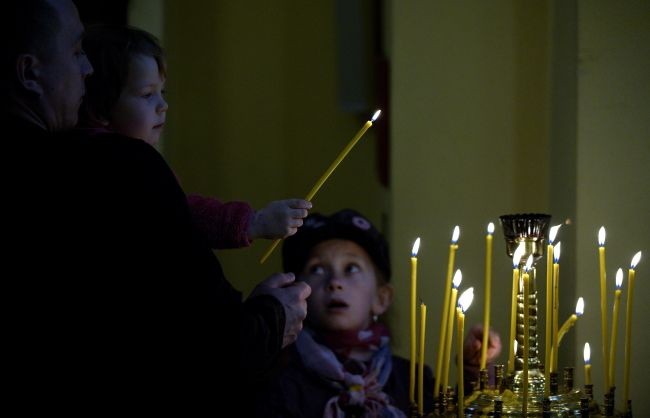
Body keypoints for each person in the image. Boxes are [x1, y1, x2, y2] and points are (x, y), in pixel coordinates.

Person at [3, 0, 309, 412]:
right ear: (29, 72)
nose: (87, 69)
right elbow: (210, 343)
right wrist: (272, 319)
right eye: (76, 52)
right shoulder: (122, 167)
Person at [78, 24, 311, 249]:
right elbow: (181, 217)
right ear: (100, 108)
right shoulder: (123, 163)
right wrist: (255, 222)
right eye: (147, 94)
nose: (163, 105)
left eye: (163, 92)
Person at [254, 209, 501, 417]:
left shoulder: (411, 380)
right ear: (297, 294)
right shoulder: (276, 376)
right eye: (317, 269)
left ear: (381, 299)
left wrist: (474, 372)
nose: (335, 282)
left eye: (351, 268)